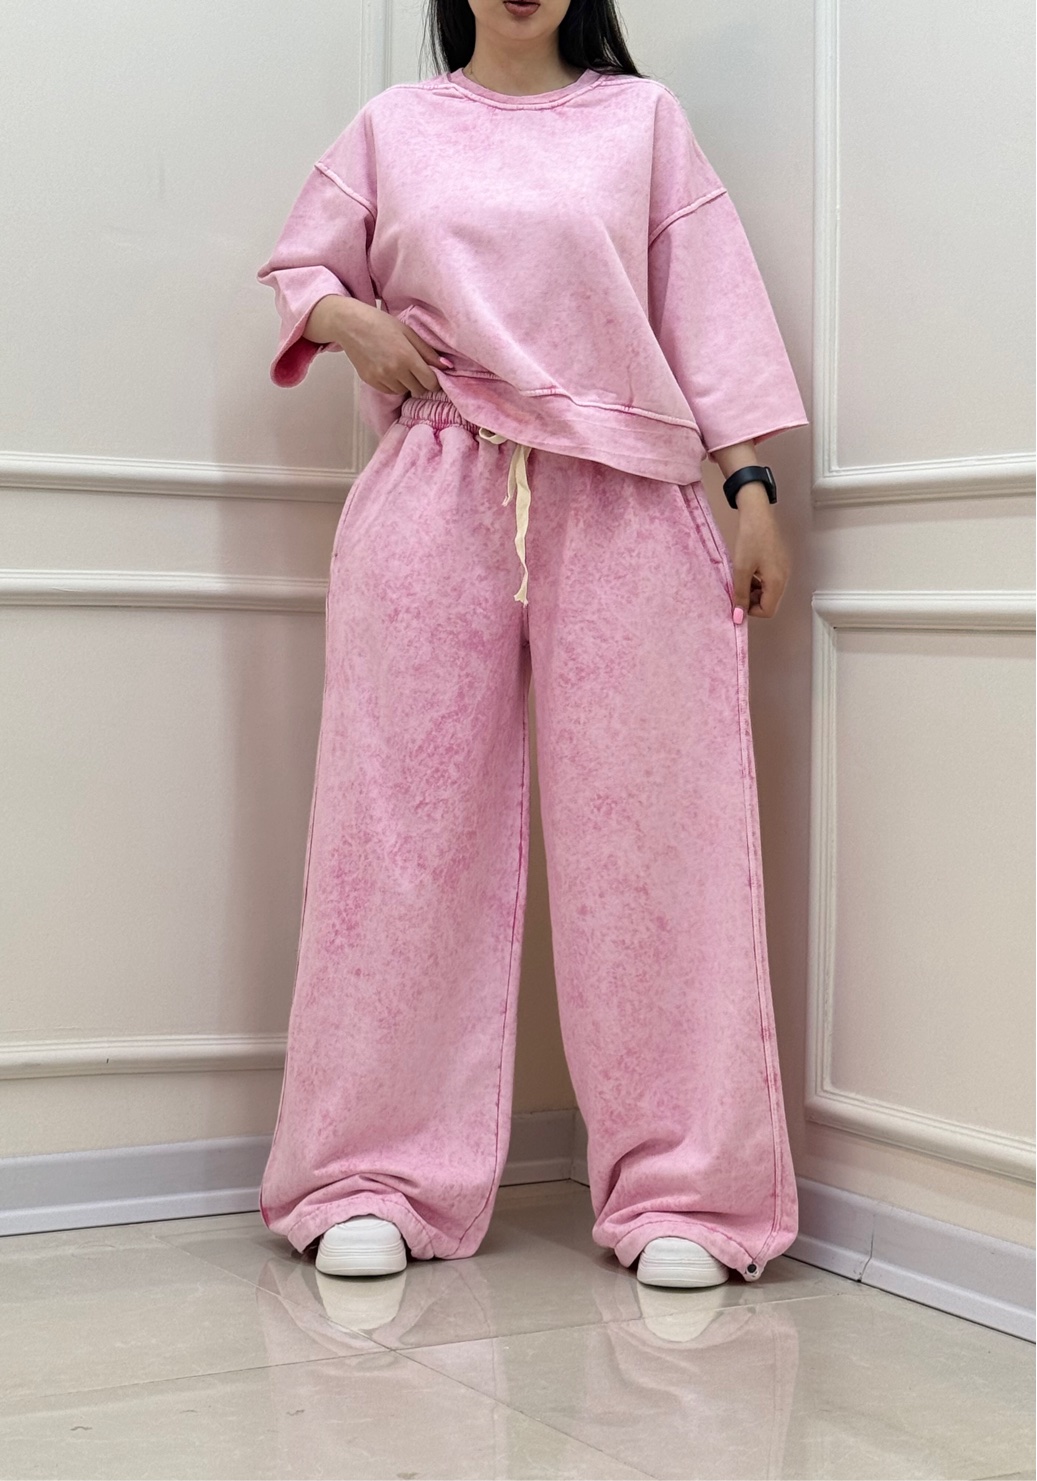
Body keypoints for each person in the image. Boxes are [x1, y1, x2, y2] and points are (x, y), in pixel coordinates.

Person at [254, 0, 809, 1291]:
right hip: (432, 485)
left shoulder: (642, 122)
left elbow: (709, 314)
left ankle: (686, 1185)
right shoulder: (394, 127)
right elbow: (301, 267)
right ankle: (369, 1170)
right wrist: (350, 324)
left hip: (627, 500)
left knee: (654, 837)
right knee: (395, 839)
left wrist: (749, 491)